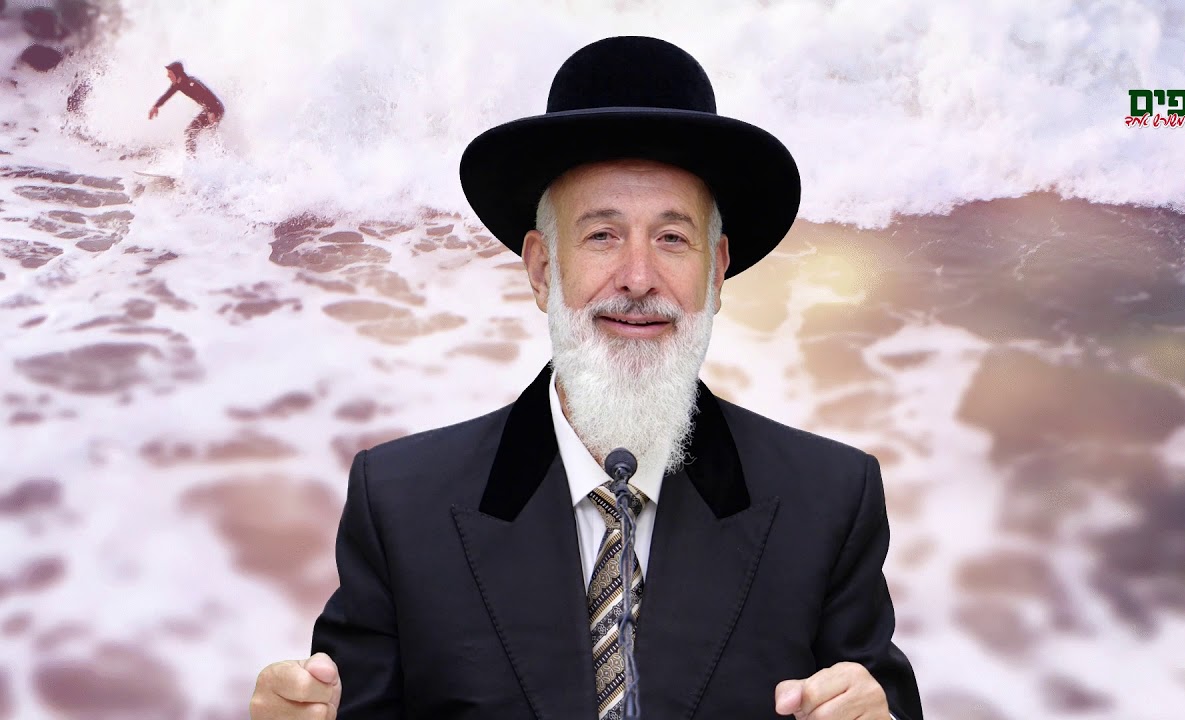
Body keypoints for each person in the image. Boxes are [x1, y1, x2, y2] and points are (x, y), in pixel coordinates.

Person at [249, 36, 923, 720]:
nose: (638, 277)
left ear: (716, 271)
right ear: (543, 269)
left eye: (672, 238)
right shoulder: (400, 507)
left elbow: (874, 702)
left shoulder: (829, 504)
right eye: (602, 235)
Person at [148, 60, 223, 153]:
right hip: (210, 109)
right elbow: (167, 95)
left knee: (191, 132)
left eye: (170, 73)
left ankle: (196, 158)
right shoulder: (178, 84)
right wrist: (156, 106)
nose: (168, 76)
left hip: (215, 109)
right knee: (193, 132)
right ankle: (204, 156)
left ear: (177, 74)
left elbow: (206, 95)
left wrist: (211, 112)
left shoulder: (192, 83)